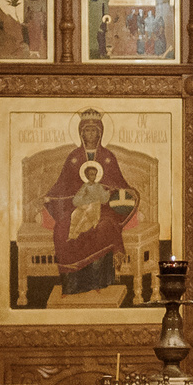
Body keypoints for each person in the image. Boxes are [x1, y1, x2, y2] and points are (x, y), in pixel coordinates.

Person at [39, 110, 138, 300]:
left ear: (100, 133)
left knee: (103, 227)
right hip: (76, 207)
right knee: (63, 228)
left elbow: (119, 184)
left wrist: (120, 194)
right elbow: (63, 185)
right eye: (86, 131)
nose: (90, 134)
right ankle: (71, 285)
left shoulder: (108, 157)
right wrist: (49, 198)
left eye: (93, 131)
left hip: (105, 209)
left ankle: (97, 282)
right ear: (81, 133)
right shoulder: (74, 157)